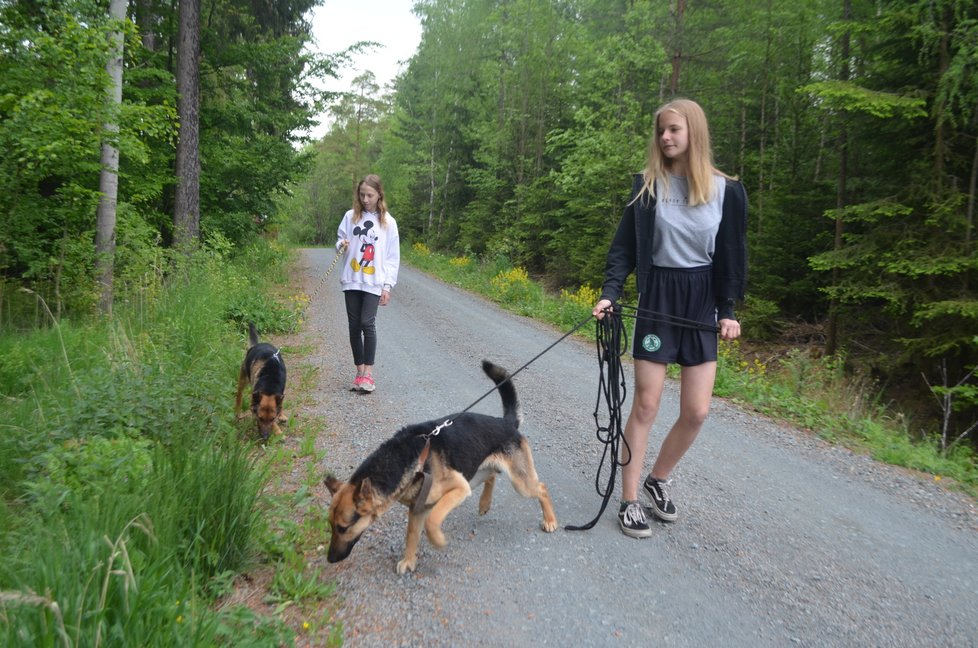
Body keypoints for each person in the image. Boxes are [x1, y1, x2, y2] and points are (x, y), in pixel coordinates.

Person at [592, 98, 747, 538]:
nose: (666, 137)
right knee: (645, 403)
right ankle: (628, 501)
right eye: (661, 130)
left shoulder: (726, 190)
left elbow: (734, 254)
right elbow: (623, 250)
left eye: (675, 130)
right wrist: (609, 293)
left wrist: (729, 308)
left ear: (693, 132)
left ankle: (657, 478)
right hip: (659, 296)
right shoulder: (647, 186)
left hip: (701, 301)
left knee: (697, 411)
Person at [336, 174, 400, 393]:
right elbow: (339, 240)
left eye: (370, 195)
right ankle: (359, 372)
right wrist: (341, 245)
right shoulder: (350, 216)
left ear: (379, 195)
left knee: (367, 323)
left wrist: (387, 286)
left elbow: (393, 257)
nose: (365, 199)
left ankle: (369, 375)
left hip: (374, 282)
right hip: (352, 279)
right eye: (362, 194)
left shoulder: (388, 222)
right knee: (354, 326)